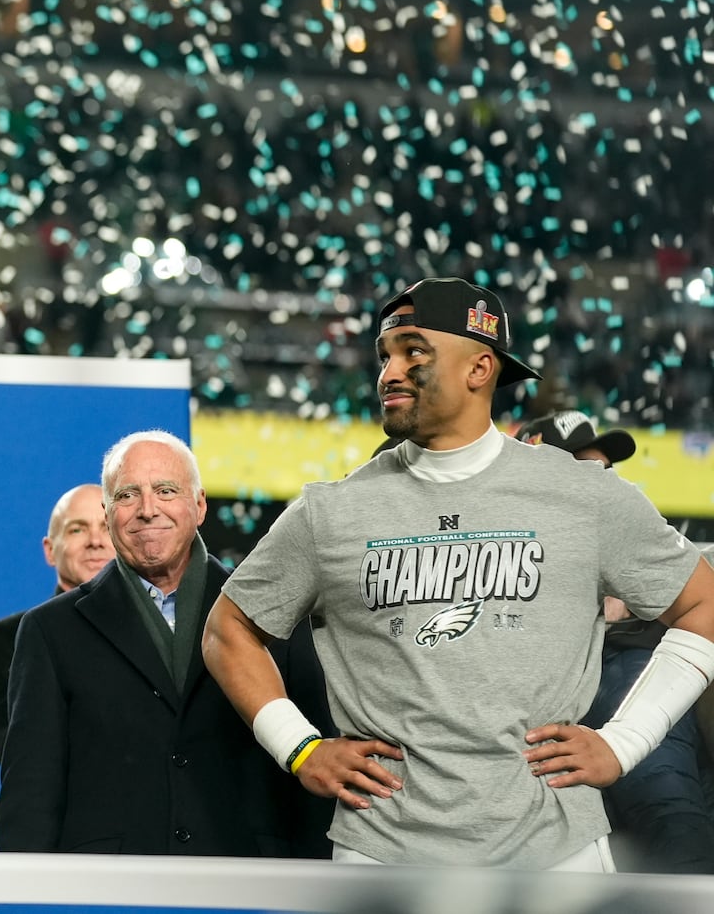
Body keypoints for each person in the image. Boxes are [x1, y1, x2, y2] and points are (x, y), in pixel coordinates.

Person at [203, 277, 714, 870]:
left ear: (479, 368)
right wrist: (299, 747)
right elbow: (227, 630)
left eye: (414, 351)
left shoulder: (583, 493)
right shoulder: (331, 510)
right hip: (383, 850)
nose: (389, 372)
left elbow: (703, 605)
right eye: (384, 355)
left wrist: (626, 741)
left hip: (554, 852)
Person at [0, 429, 331, 856]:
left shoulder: (273, 614)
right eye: (128, 495)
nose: (147, 510)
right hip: (107, 889)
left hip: (249, 879)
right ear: (108, 510)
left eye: (166, 490)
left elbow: (316, 762)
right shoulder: (50, 630)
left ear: (200, 504)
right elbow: (31, 789)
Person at [516, 410, 714, 873]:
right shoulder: (510, 542)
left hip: (630, 666)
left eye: (605, 470)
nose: (602, 482)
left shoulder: (621, 529)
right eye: (583, 468)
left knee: (669, 812)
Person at [0, 483, 111, 762]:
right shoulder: (3, 640)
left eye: (107, 528)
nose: (95, 540)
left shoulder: (161, 626)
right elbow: (18, 754)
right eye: (77, 529)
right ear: (50, 550)